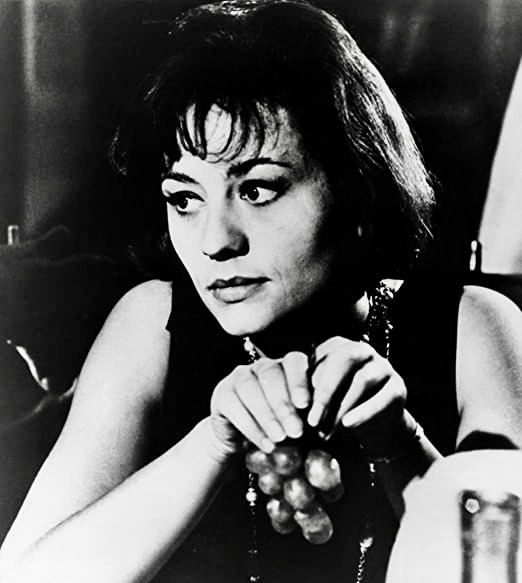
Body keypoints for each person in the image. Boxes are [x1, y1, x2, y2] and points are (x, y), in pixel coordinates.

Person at [1, 1, 521, 582]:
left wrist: (399, 446)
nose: (214, 241)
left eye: (257, 190)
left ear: (358, 187)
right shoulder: (152, 325)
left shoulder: (475, 327)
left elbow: (506, 564)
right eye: (185, 199)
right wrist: (214, 443)